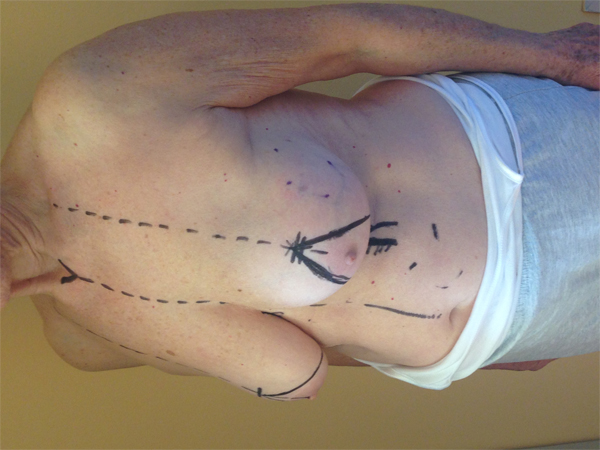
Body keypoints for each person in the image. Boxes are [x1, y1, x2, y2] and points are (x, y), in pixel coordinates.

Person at [1, 3, 598, 399]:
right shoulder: (82, 342)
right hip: (518, 327)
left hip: (531, 164)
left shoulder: (90, 102)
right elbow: (319, 347)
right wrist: (470, 356)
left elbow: (345, 39)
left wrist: (558, 58)